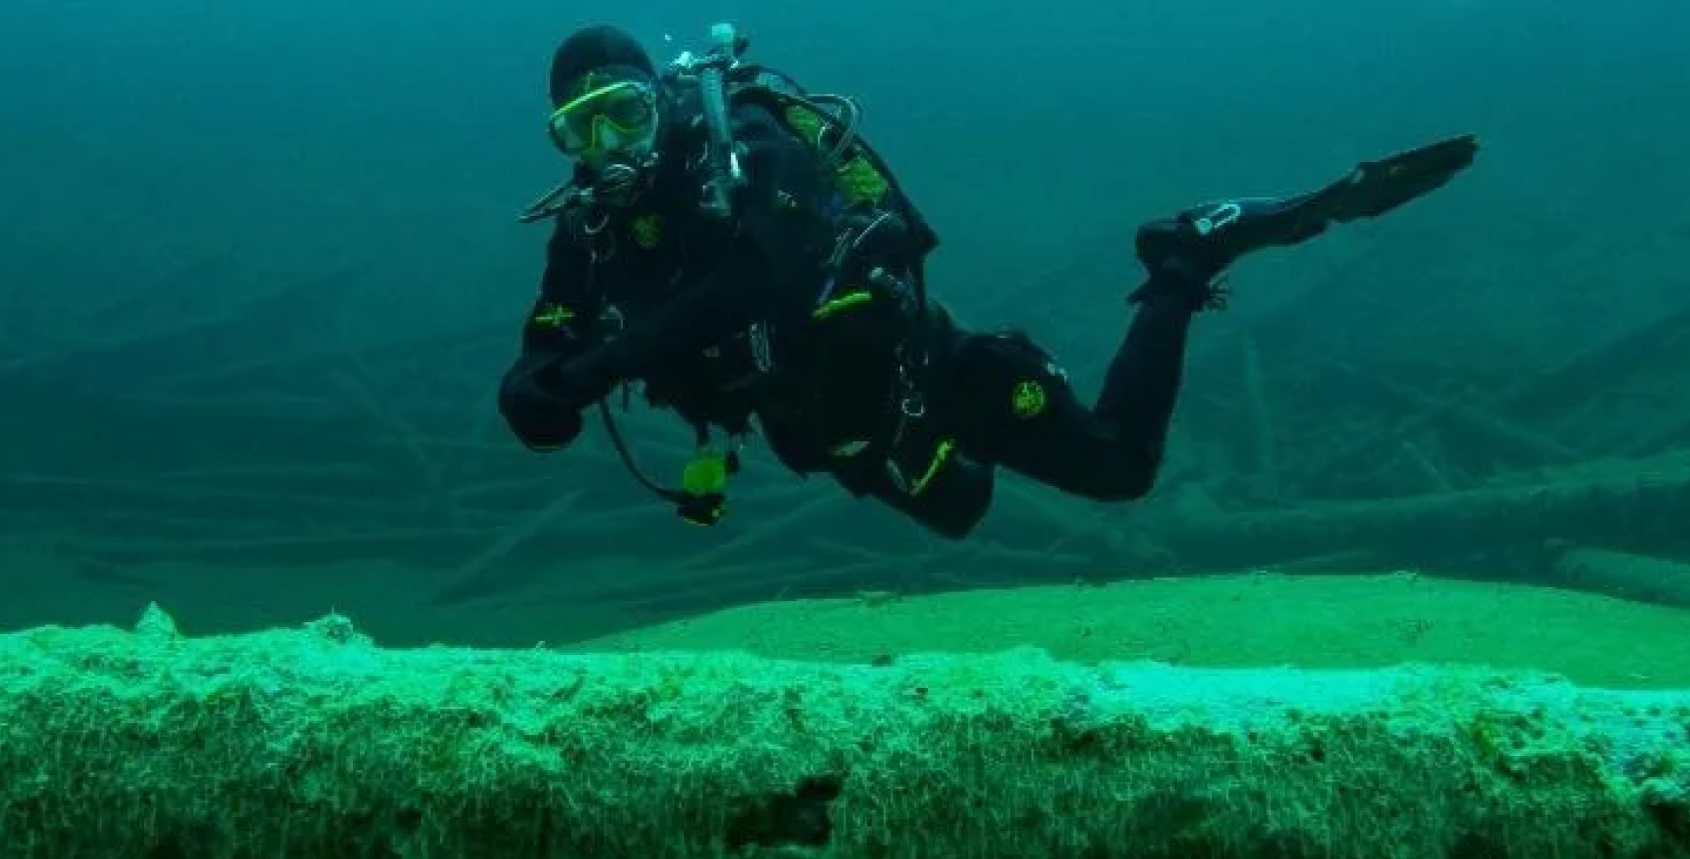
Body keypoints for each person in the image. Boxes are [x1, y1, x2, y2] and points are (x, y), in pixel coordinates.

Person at [497, 23, 1479, 537]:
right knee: (960, 515)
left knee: (1116, 468)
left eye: (620, 115)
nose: (603, 148)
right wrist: (533, 386)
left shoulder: (744, 144)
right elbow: (550, 332)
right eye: (576, 132)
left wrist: (593, 371)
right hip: (823, 426)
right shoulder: (592, 228)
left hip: (920, 367)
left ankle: (1184, 256)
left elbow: (757, 282)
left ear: (663, 104)